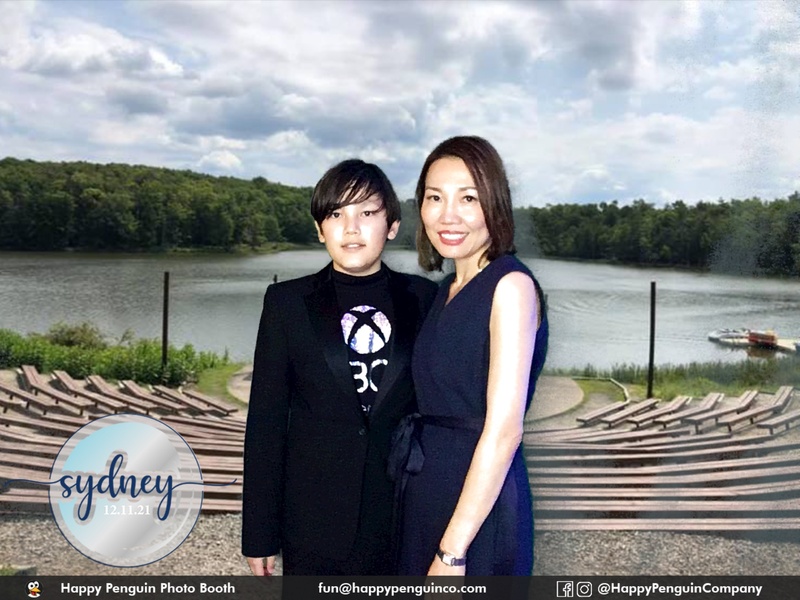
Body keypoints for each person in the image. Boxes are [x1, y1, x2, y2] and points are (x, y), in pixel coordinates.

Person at [242, 159, 438, 576]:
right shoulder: (287, 304)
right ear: (320, 229)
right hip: (313, 523)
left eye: (366, 213)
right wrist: (259, 533)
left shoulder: (425, 299)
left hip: (401, 520)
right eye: (336, 214)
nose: (351, 228)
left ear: (392, 225)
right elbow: (265, 424)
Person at [393, 136, 548, 576]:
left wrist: (452, 552)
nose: (448, 215)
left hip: (477, 511)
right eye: (434, 198)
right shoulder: (446, 290)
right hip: (429, 491)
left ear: (494, 204)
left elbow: (504, 432)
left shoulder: (511, 287)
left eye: (468, 198)